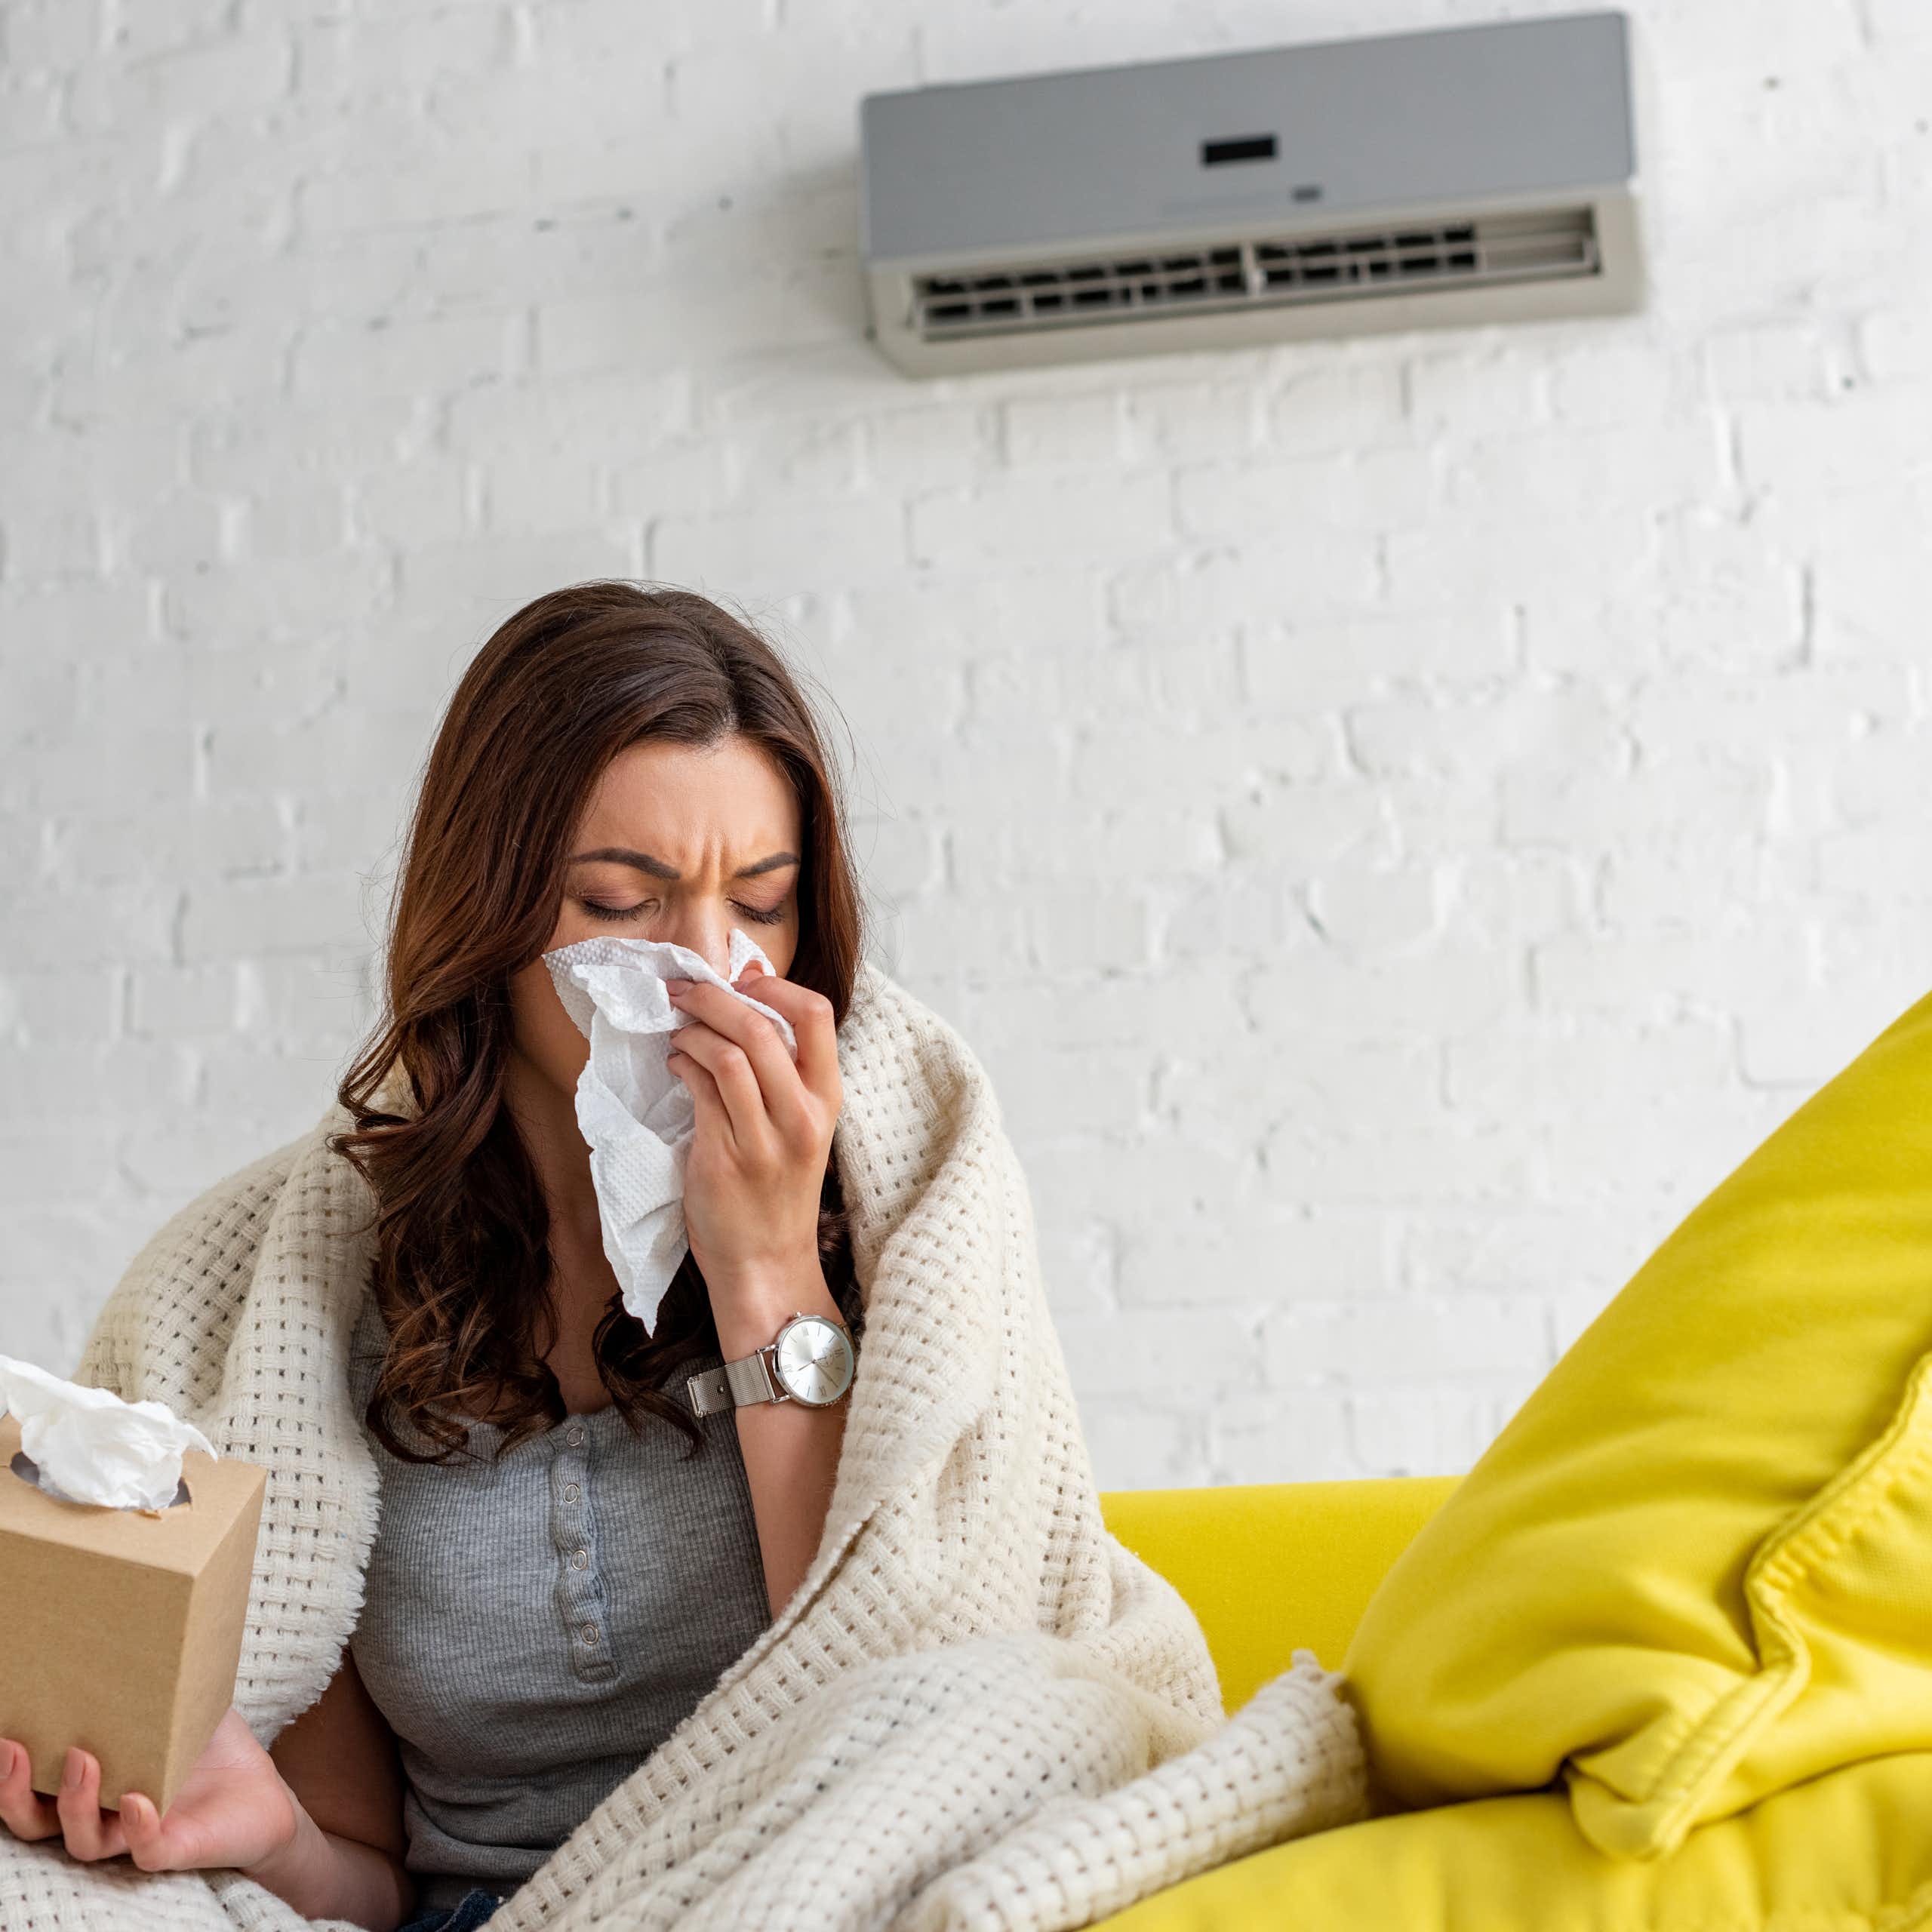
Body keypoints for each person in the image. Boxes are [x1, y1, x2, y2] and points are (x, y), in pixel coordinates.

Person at [0, 582, 878, 1932]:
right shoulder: (321, 1303)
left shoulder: (888, 1227)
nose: (709, 969)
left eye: (759, 906)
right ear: (495, 919)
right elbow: (367, 1878)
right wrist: (262, 1830)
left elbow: (895, 1692)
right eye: (618, 903)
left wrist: (765, 1273)